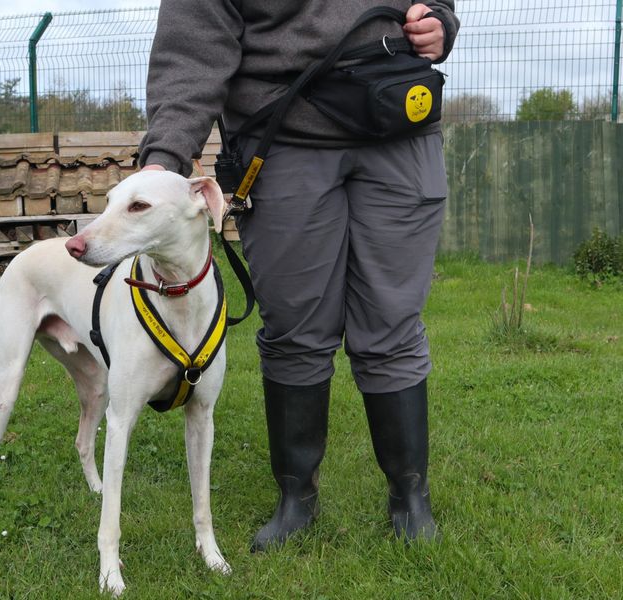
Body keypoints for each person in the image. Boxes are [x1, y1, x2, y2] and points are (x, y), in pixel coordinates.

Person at [138, 0, 460, 550]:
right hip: (281, 139)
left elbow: (437, 5)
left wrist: (441, 21)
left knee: (392, 322)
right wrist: (163, 158)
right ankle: (297, 499)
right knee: (294, 327)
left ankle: (411, 499)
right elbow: (191, 49)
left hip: (397, 125)